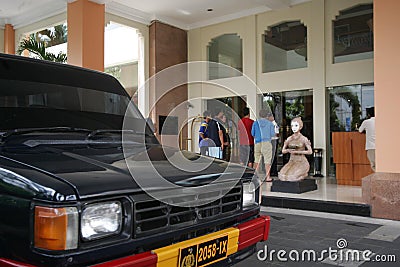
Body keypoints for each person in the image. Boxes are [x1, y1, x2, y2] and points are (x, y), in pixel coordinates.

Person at [278, 117, 313, 181]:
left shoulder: (303, 138)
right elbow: (283, 151)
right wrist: (288, 150)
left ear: (300, 127)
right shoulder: (289, 138)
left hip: (301, 161)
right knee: (282, 176)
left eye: (296, 126)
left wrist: (299, 152)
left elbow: (310, 152)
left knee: (292, 177)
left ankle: (304, 174)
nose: (294, 128)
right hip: (291, 161)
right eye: (292, 126)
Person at [251, 109, 276, 182]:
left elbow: (252, 133)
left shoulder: (255, 123)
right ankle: (268, 177)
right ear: (267, 115)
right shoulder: (270, 124)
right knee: (267, 161)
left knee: (256, 161)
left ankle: (254, 177)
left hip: (258, 143)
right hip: (266, 143)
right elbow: (272, 134)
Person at [359, 107, 376, 171]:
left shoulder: (366, 122)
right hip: (380, 146)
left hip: (371, 146)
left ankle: (378, 179)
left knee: (373, 165)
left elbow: (360, 130)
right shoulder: (381, 121)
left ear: (368, 114)